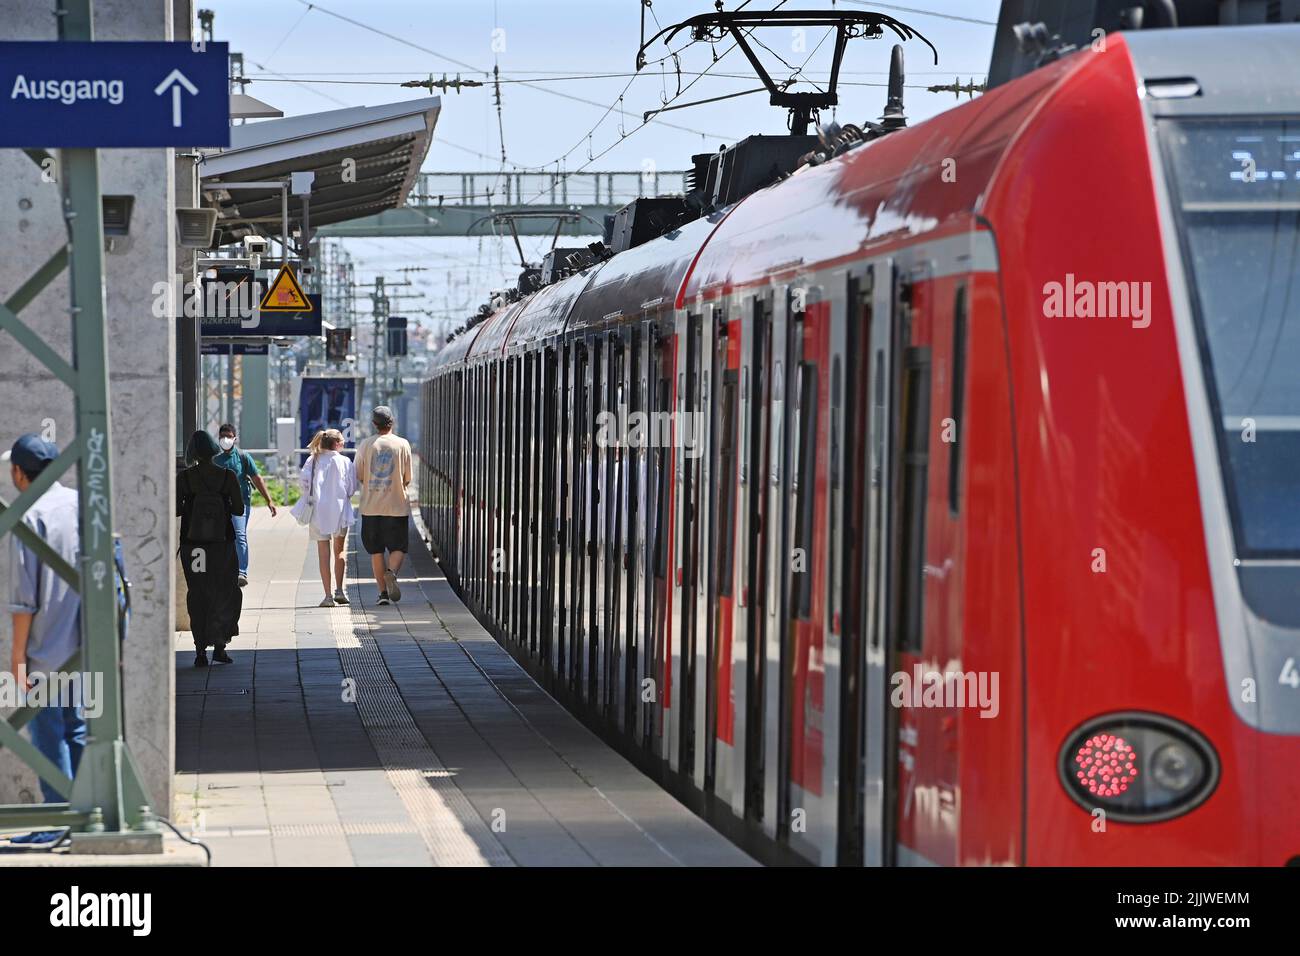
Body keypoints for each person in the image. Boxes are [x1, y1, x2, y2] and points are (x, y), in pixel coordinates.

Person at [5, 434, 84, 845]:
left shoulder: (27, 514)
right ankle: (86, 817)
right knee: (80, 731)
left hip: (44, 652)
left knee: (48, 737)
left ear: (20, 472)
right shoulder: (80, 505)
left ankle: (58, 821)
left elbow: (23, 601)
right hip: (85, 649)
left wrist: (17, 658)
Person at [177, 430, 243, 666]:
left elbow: (175, 510)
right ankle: (220, 646)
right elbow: (239, 510)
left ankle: (199, 651)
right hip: (221, 545)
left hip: (194, 546)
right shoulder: (227, 476)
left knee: (198, 593)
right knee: (223, 592)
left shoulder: (184, 478)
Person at [355, 406, 412, 606]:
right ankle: (392, 573)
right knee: (398, 548)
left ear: (373, 424)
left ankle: (383, 594)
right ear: (392, 422)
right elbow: (407, 478)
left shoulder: (365, 445)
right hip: (397, 506)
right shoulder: (403, 444)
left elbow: (360, 475)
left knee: (376, 551)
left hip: (371, 507)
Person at [297, 428, 355, 607]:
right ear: (336, 444)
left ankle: (328, 596)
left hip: (317, 513)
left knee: (323, 554)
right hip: (340, 512)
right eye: (342, 441)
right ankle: (340, 590)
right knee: (340, 551)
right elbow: (351, 489)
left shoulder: (312, 460)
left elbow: (303, 484)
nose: (344, 443)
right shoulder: (345, 461)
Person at [214, 423, 277, 587]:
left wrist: (269, 500)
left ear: (235, 438)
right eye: (222, 437)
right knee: (223, 538)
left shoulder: (243, 457)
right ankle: (226, 569)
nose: (225, 440)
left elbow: (257, 478)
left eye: (228, 436)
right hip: (220, 506)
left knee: (239, 535)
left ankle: (242, 571)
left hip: (240, 503)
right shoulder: (215, 460)